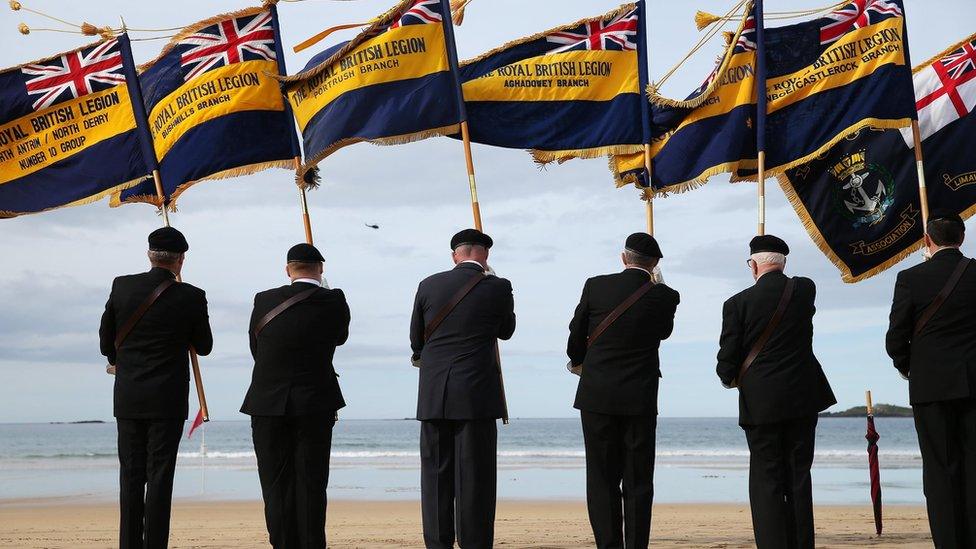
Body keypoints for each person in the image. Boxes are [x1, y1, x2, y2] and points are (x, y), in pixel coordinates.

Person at [715, 235, 835, 549]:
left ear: (753, 265)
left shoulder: (737, 304)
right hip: (802, 396)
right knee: (798, 475)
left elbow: (727, 359)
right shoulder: (804, 289)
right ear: (784, 262)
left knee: (766, 478)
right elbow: (791, 282)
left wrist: (728, 379)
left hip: (761, 400)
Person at [99, 226, 213, 549]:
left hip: (130, 397)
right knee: (160, 478)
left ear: (150, 256)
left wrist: (118, 361)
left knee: (131, 478)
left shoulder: (122, 287)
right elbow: (204, 346)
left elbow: (106, 339)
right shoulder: (191, 296)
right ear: (181, 260)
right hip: (168, 399)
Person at [566, 232, 679, 549]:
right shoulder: (666, 295)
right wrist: (658, 287)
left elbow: (577, 334)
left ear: (623, 258)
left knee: (601, 478)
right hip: (639, 397)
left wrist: (577, 360)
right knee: (639, 480)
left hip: (597, 393)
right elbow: (664, 333)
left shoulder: (595, 285)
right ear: (655, 264)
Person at [409, 228, 516, 549]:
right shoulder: (498, 286)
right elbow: (506, 331)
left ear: (455, 255)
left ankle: (438, 543)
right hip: (476, 394)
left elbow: (417, 340)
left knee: (435, 476)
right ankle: (474, 542)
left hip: (433, 394)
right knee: (475, 477)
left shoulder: (428, 284)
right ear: (484, 255)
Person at [241, 243, 350, 548]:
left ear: (288, 270)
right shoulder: (334, 299)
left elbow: (256, 348)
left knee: (274, 484)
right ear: (321, 269)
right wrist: (328, 292)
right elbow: (340, 337)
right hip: (314, 401)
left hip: (266, 400)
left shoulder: (263, 300)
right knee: (311, 483)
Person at [886, 211, 976, 547]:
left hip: (930, 385)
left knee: (939, 470)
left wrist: (909, 367)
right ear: (962, 238)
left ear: (927, 240)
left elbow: (896, 336)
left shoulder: (911, 278)